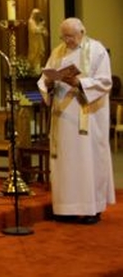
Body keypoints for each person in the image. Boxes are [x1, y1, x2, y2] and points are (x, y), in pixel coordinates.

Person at [38, 17, 115, 225]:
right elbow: (44, 78)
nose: (67, 40)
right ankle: (66, 208)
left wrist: (79, 82)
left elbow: (105, 82)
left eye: (70, 36)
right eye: (64, 36)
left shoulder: (97, 50)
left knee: (87, 159)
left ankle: (91, 208)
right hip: (63, 118)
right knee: (66, 161)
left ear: (82, 32)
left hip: (87, 117)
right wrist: (49, 84)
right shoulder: (58, 52)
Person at [27, 8, 48, 73]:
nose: (38, 16)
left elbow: (45, 32)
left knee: (39, 55)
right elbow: (34, 30)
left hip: (39, 41)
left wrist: (44, 31)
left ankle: (37, 69)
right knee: (34, 54)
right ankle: (33, 69)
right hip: (34, 41)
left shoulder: (38, 22)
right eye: (36, 14)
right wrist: (41, 25)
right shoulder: (31, 21)